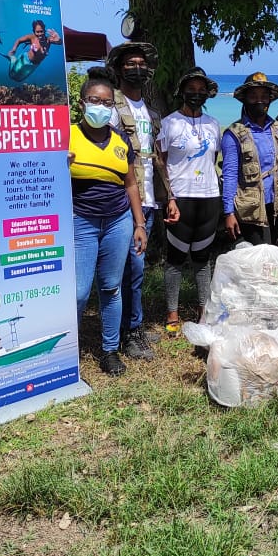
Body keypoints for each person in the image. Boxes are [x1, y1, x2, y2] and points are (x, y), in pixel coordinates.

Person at [68, 75, 148, 376]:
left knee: (111, 287)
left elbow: (130, 184)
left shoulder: (120, 140)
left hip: (119, 221)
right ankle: (68, 351)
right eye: (95, 101)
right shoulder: (67, 136)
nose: (100, 107)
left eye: (107, 103)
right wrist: (60, 163)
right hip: (81, 221)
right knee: (78, 292)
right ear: (82, 103)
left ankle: (110, 350)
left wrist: (139, 224)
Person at [105, 43, 174, 361]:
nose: (137, 68)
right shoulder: (110, 108)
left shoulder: (152, 111)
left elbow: (156, 158)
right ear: (119, 69)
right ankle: (126, 333)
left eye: (141, 64)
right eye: (130, 64)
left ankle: (131, 326)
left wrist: (169, 196)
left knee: (137, 269)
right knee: (129, 268)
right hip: (122, 200)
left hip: (148, 200)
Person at [158, 68, 222, 334]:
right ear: (182, 92)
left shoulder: (213, 123)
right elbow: (160, 162)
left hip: (209, 197)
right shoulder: (169, 122)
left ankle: (202, 309)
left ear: (207, 94)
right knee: (175, 258)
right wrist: (169, 196)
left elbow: (214, 157)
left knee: (202, 259)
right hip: (180, 197)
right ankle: (172, 312)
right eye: (191, 90)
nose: (196, 95)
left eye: (201, 91)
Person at [223, 72, 278, 246]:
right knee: (257, 254)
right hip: (250, 207)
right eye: (254, 96)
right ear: (245, 100)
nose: (260, 101)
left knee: (273, 249)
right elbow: (230, 175)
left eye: (264, 96)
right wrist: (229, 213)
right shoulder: (234, 133)